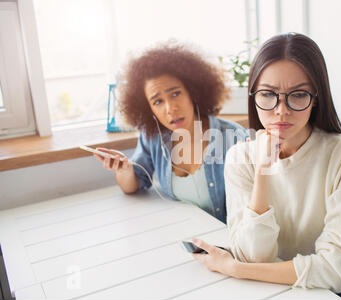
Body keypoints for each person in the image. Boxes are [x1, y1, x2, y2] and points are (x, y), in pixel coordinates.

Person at [192, 33, 341, 300]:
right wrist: (262, 172)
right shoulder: (239, 158)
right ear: (254, 95)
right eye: (268, 94)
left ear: (316, 98)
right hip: (273, 287)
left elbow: (334, 270)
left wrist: (237, 269)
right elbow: (253, 255)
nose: (281, 110)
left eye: (298, 94)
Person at [93, 41, 247, 223]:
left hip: (228, 241)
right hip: (185, 237)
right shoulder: (153, 137)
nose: (170, 108)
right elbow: (133, 185)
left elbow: (251, 206)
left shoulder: (233, 137)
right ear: (148, 108)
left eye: (175, 94)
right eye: (158, 101)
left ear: (193, 92)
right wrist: (124, 169)